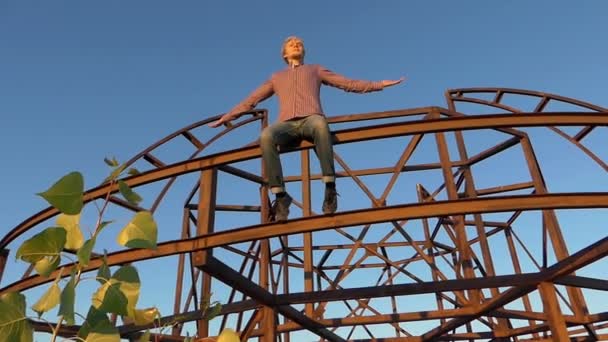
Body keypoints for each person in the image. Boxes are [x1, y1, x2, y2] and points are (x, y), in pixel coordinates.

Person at [208, 36, 404, 221]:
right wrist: (227, 117)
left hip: (311, 119)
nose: (296, 45)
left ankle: (329, 187)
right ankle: (281, 195)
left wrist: (379, 85)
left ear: (303, 51)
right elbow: (251, 100)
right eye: (291, 43)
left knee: (320, 124)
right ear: (284, 54)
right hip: (286, 125)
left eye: (299, 43)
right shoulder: (276, 77)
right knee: (267, 135)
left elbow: (348, 83)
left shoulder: (315, 70)